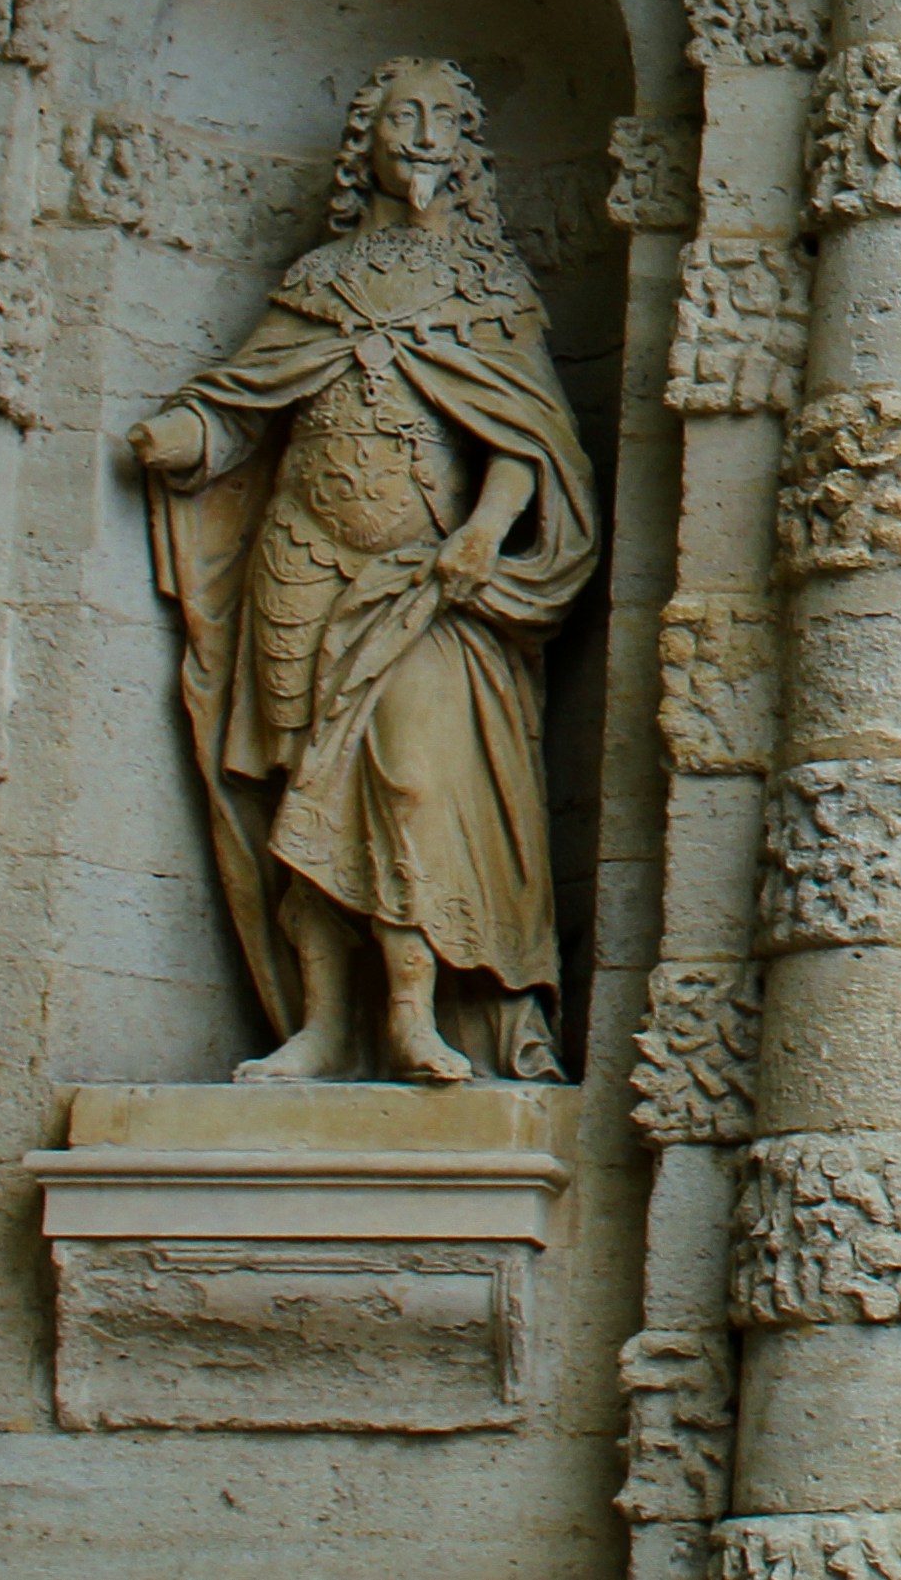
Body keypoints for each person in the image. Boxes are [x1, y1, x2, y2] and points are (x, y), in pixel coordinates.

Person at [132, 57, 602, 1081]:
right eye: (404, 115)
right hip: (299, 561)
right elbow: (247, 399)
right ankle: (322, 1023)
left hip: (425, 579)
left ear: (468, 147)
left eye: (443, 117)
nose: (423, 132)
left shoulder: (488, 284)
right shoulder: (320, 278)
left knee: (410, 782)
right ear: (368, 140)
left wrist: (485, 528)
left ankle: (411, 1010)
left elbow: (527, 435)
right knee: (308, 782)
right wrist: (186, 433)